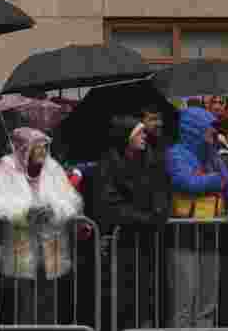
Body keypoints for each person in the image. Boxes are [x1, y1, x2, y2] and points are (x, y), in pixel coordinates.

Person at [0, 127, 84, 327]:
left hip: (52, 246)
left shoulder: (52, 167)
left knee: (49, 306)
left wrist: (53, 210)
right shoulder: (6, 167)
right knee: (22, 306)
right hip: (20, 247)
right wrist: (25, 213)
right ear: (24, 148)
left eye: (45, 147)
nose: (43, 151)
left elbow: (72, 202)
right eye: (38, 146)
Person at [166, 106, 228, 328]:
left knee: (207, 301)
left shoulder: (212, 154)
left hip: (209, 235)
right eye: (209, 129)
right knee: (184, 302)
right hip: (183, 237)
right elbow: (184, 182)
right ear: (195, 129)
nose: (213, 133)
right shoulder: (176, 153)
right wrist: (216, 180)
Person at [94, 116, 170, 329]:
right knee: (123, 297)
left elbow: (161, 191)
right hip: (121, 244)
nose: (145, 135)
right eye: (139, 132)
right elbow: (109, 204)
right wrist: (145, 218)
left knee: (148, 295)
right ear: (126, 137)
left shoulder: (151, 160)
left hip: (148, 242)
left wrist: (159, 211)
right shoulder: (108, 164)